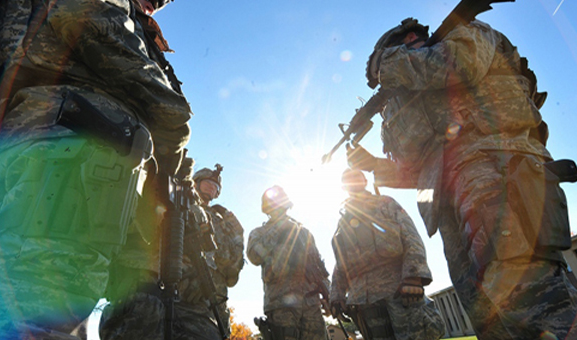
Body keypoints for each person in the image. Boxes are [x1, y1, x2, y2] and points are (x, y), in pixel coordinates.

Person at [0, 0, 192, 338]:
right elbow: (86, 17)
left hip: (49, 147)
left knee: (4, 310)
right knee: (28, 316)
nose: (156, 5)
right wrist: (173, 112)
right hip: (73, 150)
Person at [348, 17, 577, 339]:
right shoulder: (416, 90)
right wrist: (374, 164)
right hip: (451, 200)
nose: (387, 79)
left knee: (532, 296)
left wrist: (387, 64)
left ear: (410, 38)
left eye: (387, 67)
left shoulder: (463, 34)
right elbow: (425, 168)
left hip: (497, 166)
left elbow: (460, 66)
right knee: (488, 314)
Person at [330, 168, 444, 340]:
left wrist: (413, 276)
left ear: (365, 181)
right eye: (347, 179)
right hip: (364, 301)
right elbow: (340, 262)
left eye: (356, 177)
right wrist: (337, 295)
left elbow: (410, 237)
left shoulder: (385, 203)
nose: (352, 181)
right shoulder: (342, 221)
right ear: (343, 187)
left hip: (398, 290)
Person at [171, 164, 245, 339]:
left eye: (216, 186)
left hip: (217, 300)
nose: (212, 187)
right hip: (186, 293)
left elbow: (232, 267)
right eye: (208, 183)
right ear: (196, 183)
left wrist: (238, 235)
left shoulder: (222, 220)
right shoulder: (183, 206)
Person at [247, 185, 329, 340]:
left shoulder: (303, 233)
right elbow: (254, 256)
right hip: (280, 305)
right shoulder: (259, 232)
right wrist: (278, 227)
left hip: (311, 304)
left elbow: (319, 266)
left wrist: (327, 294)